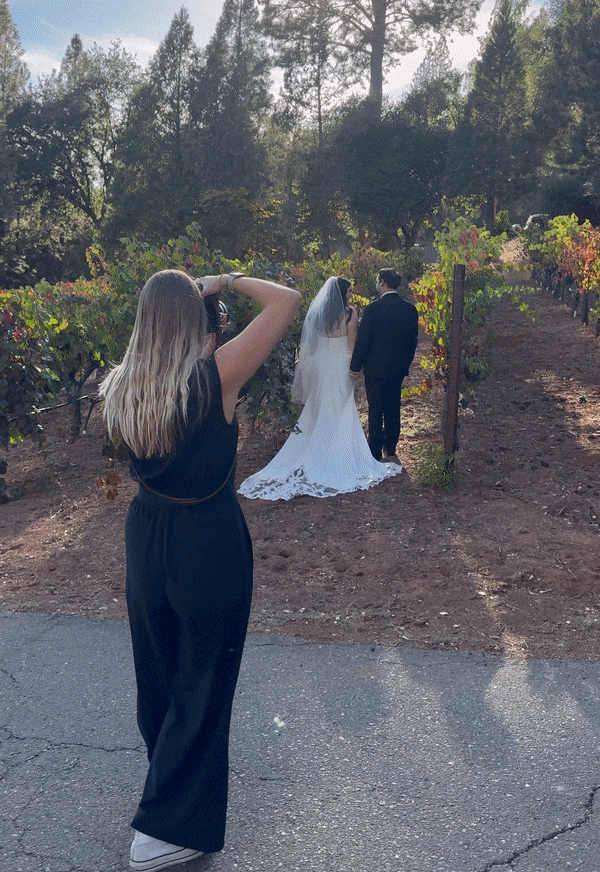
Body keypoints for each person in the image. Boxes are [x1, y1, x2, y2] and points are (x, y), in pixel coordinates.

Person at [99, 269, 300, 871]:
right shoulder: (215, 379)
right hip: (206, 538)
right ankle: (168, 827)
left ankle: (166, 798)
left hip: (146, 533)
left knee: (158, 672)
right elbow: (288, 301)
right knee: (205, 680)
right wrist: (228, 280)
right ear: (194, 317)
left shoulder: (121, 386)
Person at [237, 276, 402, 501]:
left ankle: (317, 451)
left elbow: (310, 345)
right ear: (342, 293)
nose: (351, 295)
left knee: (319, 408)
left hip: (320, 366)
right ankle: (336, 457)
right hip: (340, 367)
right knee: (341, 409)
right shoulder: (350, 314)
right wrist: (357, 369)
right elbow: (353, 344)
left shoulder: (320, 315)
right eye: (349, 291)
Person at [350, 268, 418, 462]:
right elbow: (412, 341)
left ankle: (374, 449)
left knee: (375, 408)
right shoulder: (409, 309)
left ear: (382, 282)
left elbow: (363, 340)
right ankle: (391, 446)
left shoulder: (372, 309)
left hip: (375, 368)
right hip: (397, 368)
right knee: (393, 406)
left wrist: (356, 366)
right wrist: (405, 364)